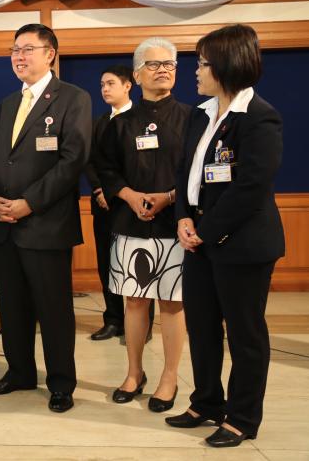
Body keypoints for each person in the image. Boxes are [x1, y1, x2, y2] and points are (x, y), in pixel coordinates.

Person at [167, 24, 284, 448]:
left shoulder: (259, 117)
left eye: (203, 63)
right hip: (198, 239)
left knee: (244, 334)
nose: (196, 71)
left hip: (242, 243)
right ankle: (206, 402)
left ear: (227, 65)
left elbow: (251, 187)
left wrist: (205, 231)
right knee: (202, 328)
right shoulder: (201, 113)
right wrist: (183, 218)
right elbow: (185, 173)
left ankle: (242, 417)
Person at [0, 23, 91, 413]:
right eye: (14, 50)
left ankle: (60, 383)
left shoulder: (73, 98)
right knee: (12, 307)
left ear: (50, 54)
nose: (19, 56)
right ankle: (20, 372)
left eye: (27, 49)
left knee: (53, 309)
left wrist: (29, 203)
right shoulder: (8, 103)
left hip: (45, 224)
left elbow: (72, 160)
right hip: (2, 225)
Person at [96, 37, 190, 413]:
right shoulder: (120, 123)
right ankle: (134, 373)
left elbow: (196, 172)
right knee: (134, 301)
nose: (162, 70)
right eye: (153, 64)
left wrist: (169, 196)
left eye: (169, 64)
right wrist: (129, 195)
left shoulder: (193, 118)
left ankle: (169, 377)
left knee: (172, 303)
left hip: (175, 224)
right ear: (137, 75)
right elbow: (106, 169)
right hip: (129, 221)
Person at [86, 65, 132, 341]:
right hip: (102, 205)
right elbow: (89, 160)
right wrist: (99, 189)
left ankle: (140, 324)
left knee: (136, 264)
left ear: (127, 86)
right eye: (102, 84)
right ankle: (114, 319)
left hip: (131, 205)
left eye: (110, 83)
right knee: (106, 263)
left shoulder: (139, 119)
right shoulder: (99, 122)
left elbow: (140, 165)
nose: (105, 89)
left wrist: (116, 191)